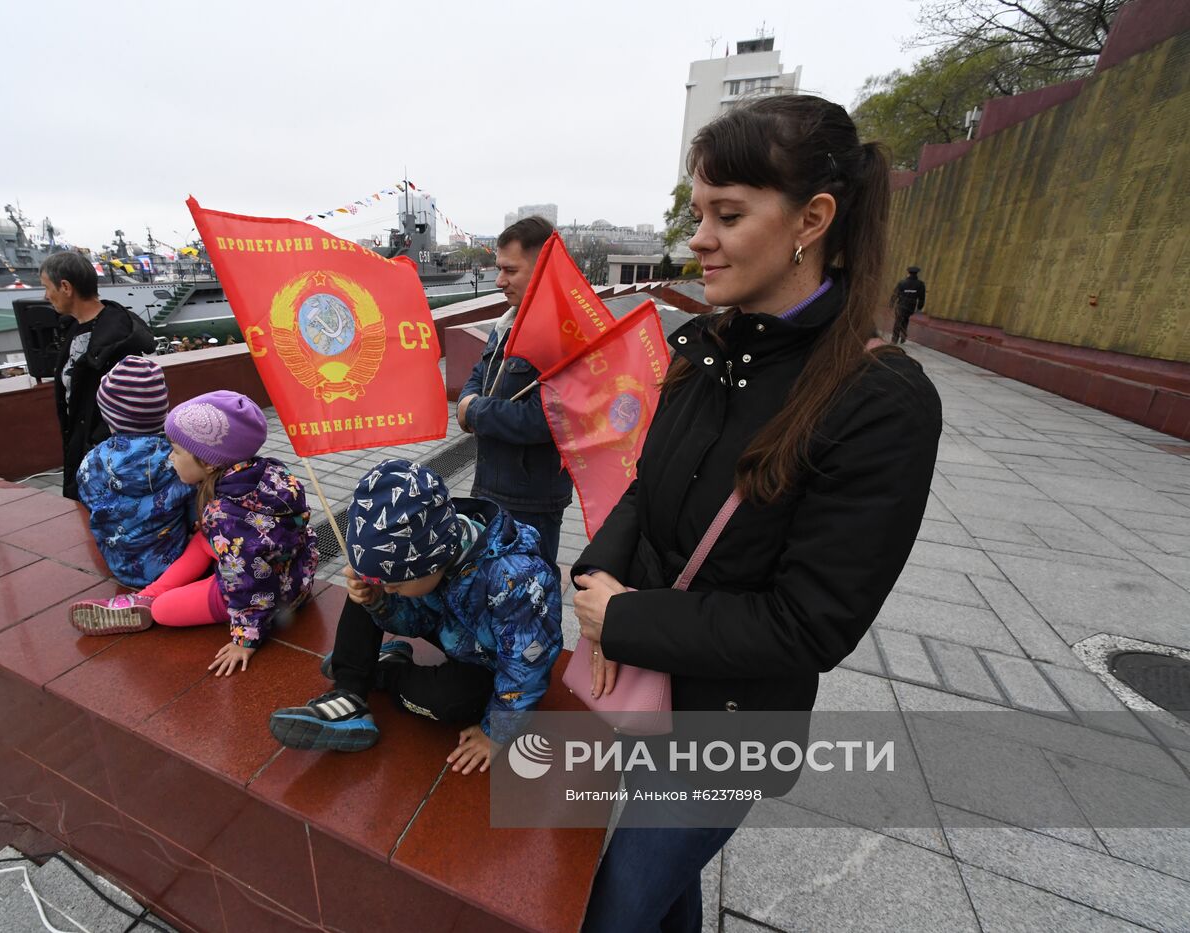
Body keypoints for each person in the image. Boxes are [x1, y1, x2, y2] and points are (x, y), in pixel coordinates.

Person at [571, 95, 942, 932]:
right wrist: (596, 578)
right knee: (660, 896)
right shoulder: (701, 348)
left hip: (732, 725)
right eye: (700, 211)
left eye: (727, 214)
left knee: (613, 907)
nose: (698, 236)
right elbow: (645, 491)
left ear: (812, 219)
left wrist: (627, 621)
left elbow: (811, 622)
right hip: (651, 686)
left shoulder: (880, 400)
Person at [268, 458, 562, 771]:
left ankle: (385, 672)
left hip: (490, 663)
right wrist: (378, 601)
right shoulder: (431, 558)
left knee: (450, 703)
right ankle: (349, 691)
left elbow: (528, 661)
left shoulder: (516, 578)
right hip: (453, 630)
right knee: (364, 589)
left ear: (431, 563)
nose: (390, 587)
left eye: (395, 582)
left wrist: (498, 734)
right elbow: (417, 618)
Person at [69, 391, 319, 677]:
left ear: (210, 462)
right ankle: (146, 596)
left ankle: (151, 602)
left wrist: (246, 638)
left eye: (176, 450)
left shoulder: (226, 517)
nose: (170, 458)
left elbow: (249, 581)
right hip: (292, 566)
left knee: (164, 610)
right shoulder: (266, 471)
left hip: (275, 592)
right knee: (204, 541)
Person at [455, 216, 572, 564]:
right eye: (498, 269)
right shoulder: (508, 323)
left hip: (531, 500)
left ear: (543, 270)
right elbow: (479, 374)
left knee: (533, 593)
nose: (499, 281)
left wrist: (472, 411)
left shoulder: (564, 335)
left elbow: (545, 419)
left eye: (510, 270)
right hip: (491, 486)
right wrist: (468, 400)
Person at [41, 251, 155, 500]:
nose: (45, 296)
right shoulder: (73, 329)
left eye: (47, 287)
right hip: (81, 449)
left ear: (65, 287)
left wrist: (96, 447)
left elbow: (130, 405)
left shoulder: (117, 338)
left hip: (103, 459)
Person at [74, 356, 193, 588]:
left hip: (119, 564)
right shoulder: (180, 458)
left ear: (109, 417)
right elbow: (194, 512)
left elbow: (88, 500)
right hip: (176, 567)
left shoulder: (94, 461)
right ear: (163, 411)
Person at [890, 265, 926, 344]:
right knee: (905, 319)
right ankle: (903, 335)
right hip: (911, 306)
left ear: (908, 273)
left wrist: (891, 303)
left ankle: (894, 339)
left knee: (898, 321)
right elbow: (922, 297)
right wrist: (919, 307)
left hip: (901, 304)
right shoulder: (920, 284)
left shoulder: (902, 283)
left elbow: (895, 294)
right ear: (916, 274)